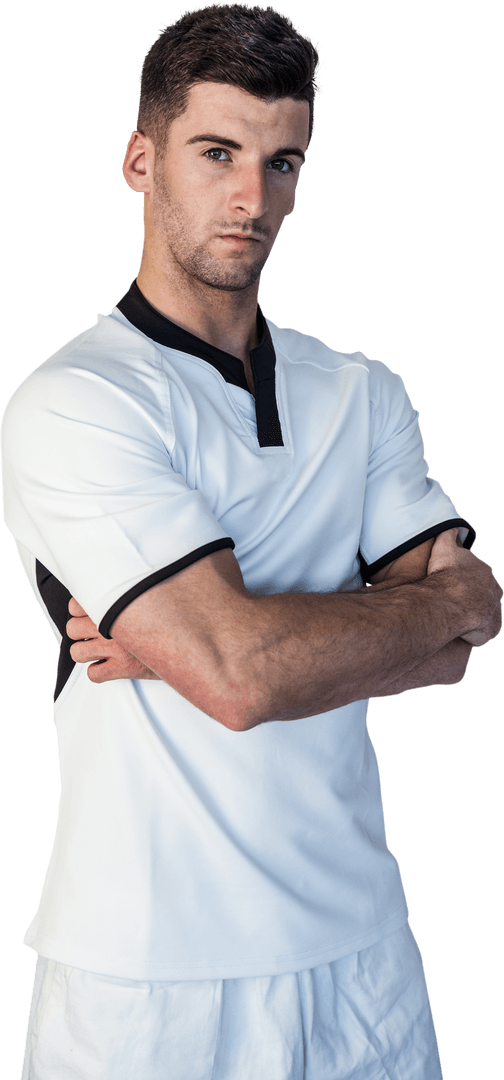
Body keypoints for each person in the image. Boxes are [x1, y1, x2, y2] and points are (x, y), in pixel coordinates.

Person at [2, 4, 502, 1078]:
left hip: (366, 959)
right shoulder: (76, 402)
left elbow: (463, 639)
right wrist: (406, 612)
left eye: (283, 162)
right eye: (217, 152)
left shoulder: (362, 390)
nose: (251, 197)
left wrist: (195, 647)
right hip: (150, 979)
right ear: (141, 161)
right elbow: (240, 681)